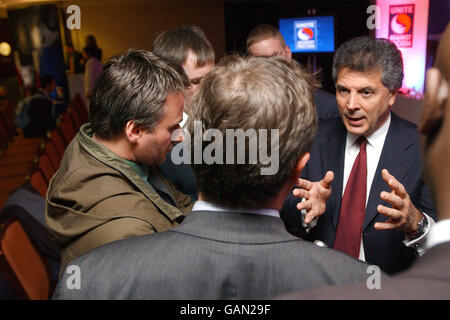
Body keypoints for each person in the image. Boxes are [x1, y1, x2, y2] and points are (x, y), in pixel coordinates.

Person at [53, 55, 372, 300]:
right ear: (299, 167)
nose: (177, 138)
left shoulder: (87, 279)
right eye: (173, 129)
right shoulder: (360, 286)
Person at [279, 24, 450, 299]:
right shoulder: (312, 137)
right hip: (317, 290)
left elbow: (442, 246)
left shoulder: (422, 146)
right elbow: (284, 212)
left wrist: (415, 222)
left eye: (366, 93)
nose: (351, 104)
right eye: (343, 90)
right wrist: (305, 209)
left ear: (393, 94)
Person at [45, 49, 193, 272]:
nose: (179, 137)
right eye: (172, 128)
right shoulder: (130, 234)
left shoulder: (97, 145)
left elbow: (176, 202)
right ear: (134, 130)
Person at [152, 26, 215, 201]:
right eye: (194, 82)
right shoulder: (159, 138)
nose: (208, 90)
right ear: (166, 83)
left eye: (211, 78)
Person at [246, 24, 340, 120]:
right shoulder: (242, 106)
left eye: (275, 56)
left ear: (288, 53)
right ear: (250, 62)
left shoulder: (327, 108)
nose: (271, 64)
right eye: (262, 60)